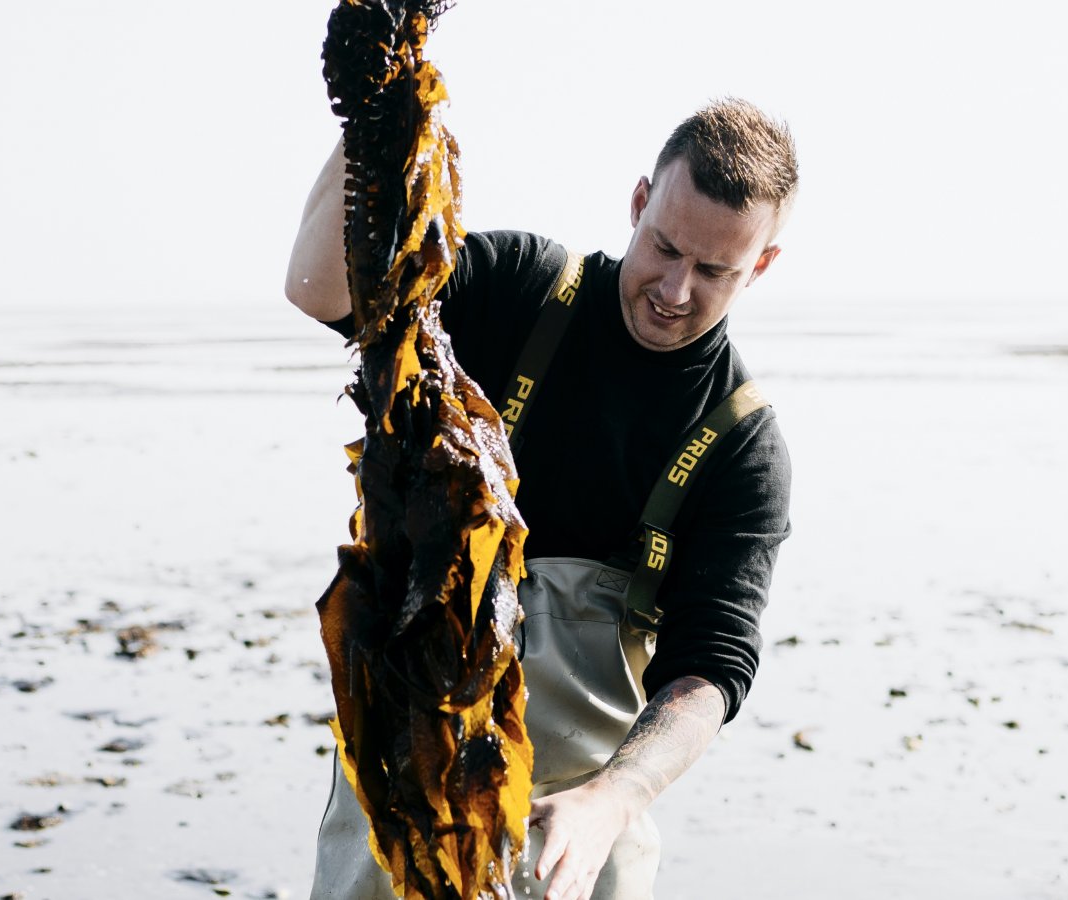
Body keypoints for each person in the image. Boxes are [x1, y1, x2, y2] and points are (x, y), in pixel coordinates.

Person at [285, 98, 797, 900]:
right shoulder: (520, 290)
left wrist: (615, 799)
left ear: (761, 264)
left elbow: (711, 667)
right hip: (401, 793)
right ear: (638, 203)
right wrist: (376, 96)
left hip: (575, 832)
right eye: (663, 247)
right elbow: (321, 288)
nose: (674, 288)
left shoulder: (741, 446)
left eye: (714, 271)